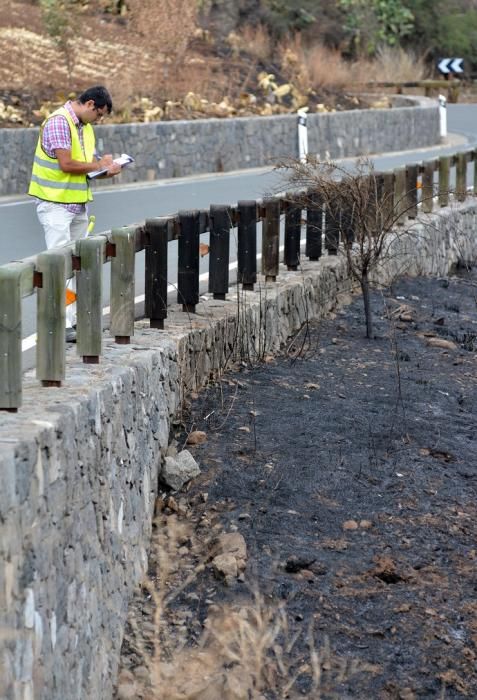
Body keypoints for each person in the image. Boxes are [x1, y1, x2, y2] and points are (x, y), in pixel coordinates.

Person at [28, 85, 122, 341]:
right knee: (58, 265)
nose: (99, 120)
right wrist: (98, 164)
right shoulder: (59, 122)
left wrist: (107, 170)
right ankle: (58, 325)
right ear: (90, 104)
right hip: (55, 204)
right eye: (99, 114)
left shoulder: (85, 128)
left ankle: (73, 321)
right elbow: (67, 164)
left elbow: (87, 169)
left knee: (76, 265)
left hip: (77, 205)